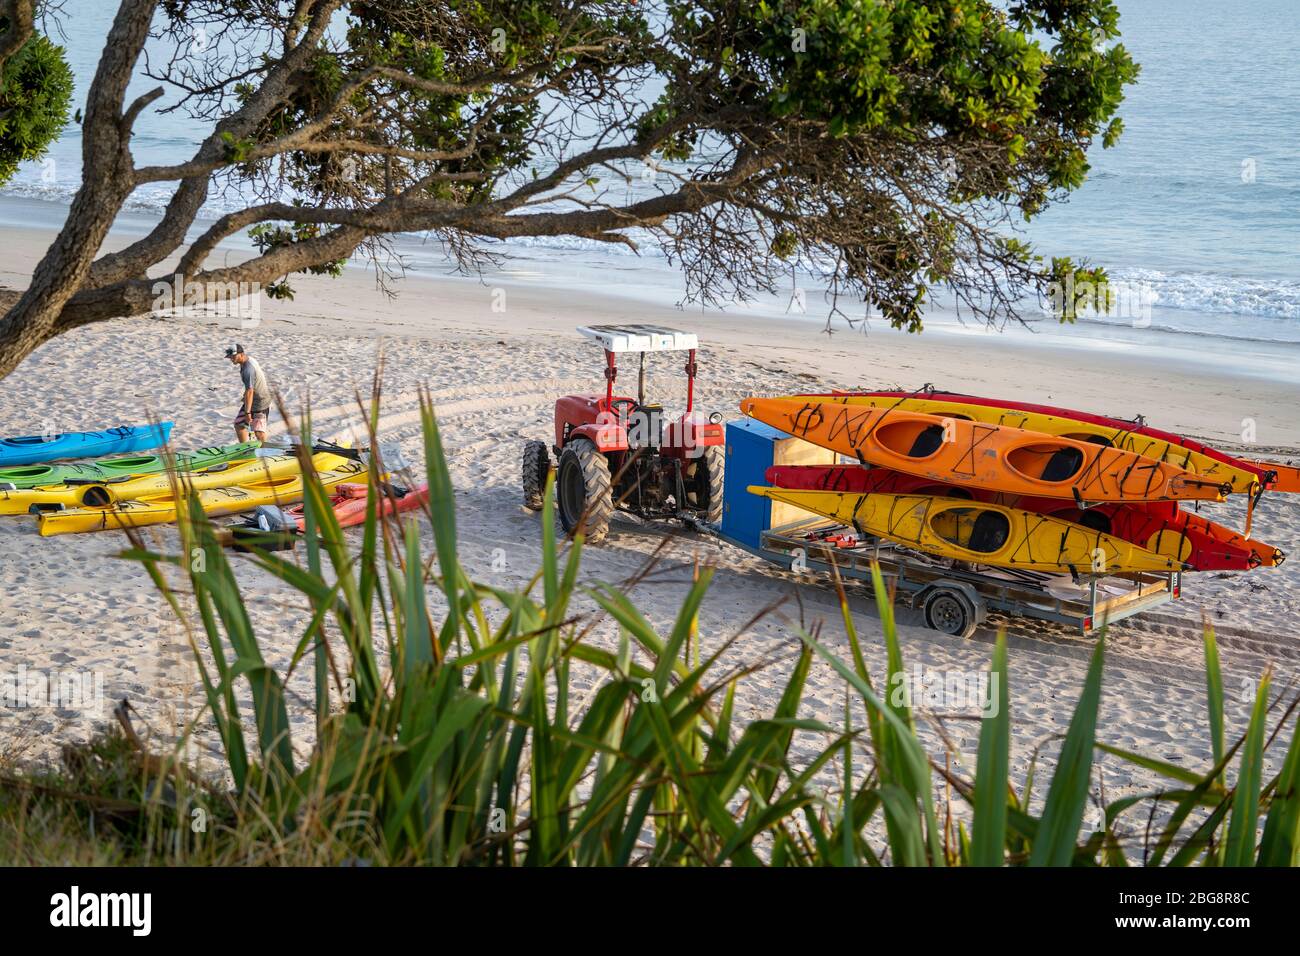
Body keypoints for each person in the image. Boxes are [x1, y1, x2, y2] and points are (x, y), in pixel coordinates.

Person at [225, 344, 272, 443]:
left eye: (233, 356)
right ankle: (246, 449)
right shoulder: (248, 359)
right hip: (252, 400)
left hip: (260, 402)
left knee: (259, 432)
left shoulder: (248, 369)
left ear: (241, 354)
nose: (231, 359)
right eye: (230, 357)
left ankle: (266, 451)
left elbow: (250, 391)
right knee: (239, 425)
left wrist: (247, 412)